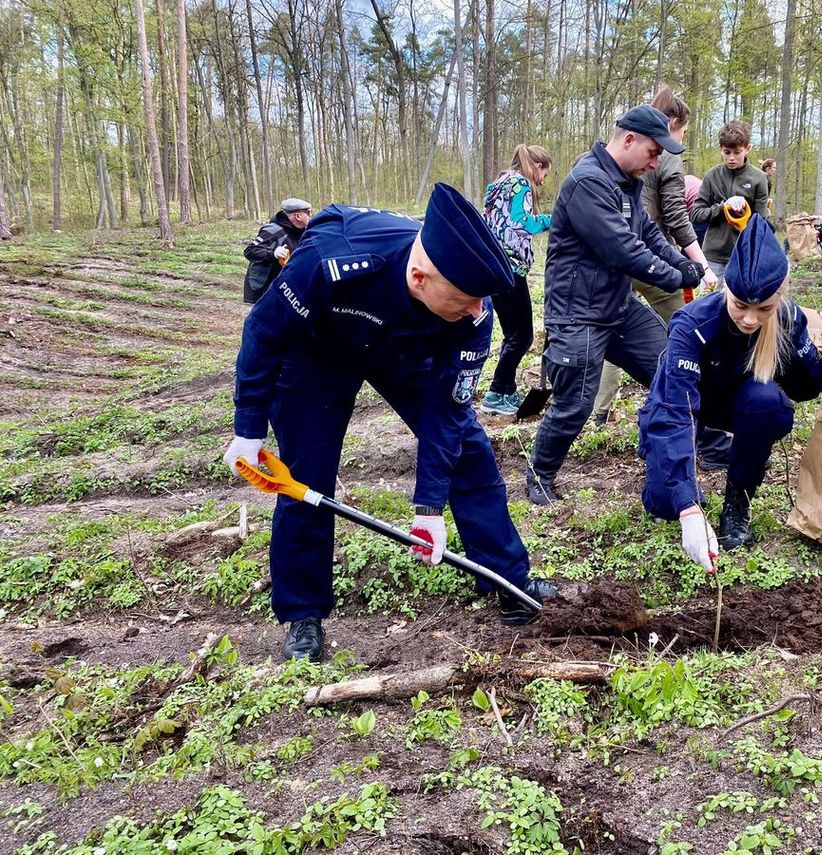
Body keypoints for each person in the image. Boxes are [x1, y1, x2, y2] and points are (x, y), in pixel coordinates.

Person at [222, 184, 559, 661]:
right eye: (465, 299)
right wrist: (249, 427)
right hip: (317, 350)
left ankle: (507, 580)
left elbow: (447, 411)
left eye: (481, 300)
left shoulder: (470, 311)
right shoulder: (329, 260)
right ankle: (303, 615)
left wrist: (428, 509)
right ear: (420, 277)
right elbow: (263, 332)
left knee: (468, 451)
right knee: (306, 474)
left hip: (404, 350)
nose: (478, 312)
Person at [526, 105, 703, 505]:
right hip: (577, 315)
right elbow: (622, 250)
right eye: (654, 152)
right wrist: (675, 276)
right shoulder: (587, 182)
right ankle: (541, 474)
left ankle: (673, 473)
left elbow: (648, 235)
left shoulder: (626, 182)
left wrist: (686, 263)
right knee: (575, 406)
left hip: (617, 306)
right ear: (629, 140)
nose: (656, 161)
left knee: (669, 369)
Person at [638, 218, 822, 564]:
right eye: (740, 305)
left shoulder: (788, 319)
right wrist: (688, 509)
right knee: (665, 504)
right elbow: (675, 413)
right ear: (727, 288)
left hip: (738, 401)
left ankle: (738, 500)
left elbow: (804, 387)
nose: (749, 319)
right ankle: (671, 496)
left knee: (768, 405)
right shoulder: (692, 324)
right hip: (684, 399)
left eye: (764, 309)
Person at [592, 87, 718, 426]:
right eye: (683, 132)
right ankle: (697, 406)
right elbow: (677, 217)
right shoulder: (666, 157)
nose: (657, 158)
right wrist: (699, 267)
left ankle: (600, 412)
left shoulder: (618, 151)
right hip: (648, 259)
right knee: (688, 328)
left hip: (621, 257)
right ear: (673, 123)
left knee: (616, 325)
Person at [480, 144, 554, 416]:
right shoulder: (520, 184)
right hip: (510, 268)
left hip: (493, 266)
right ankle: (497, 392)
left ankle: (507, 390)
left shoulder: (499, 183)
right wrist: (554, 219)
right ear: (537, 165)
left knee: (513, 334)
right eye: (544, 173)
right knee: (522, 336)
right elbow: (522, 223)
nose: (543, 180)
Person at [691, 121, 769, 282]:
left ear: (748, 148)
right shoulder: (712, 176)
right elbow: (696, 214)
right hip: (713, 255)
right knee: (709, 303)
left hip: (744, 256)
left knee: (740, 304)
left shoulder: (759, 178)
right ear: (720, 149)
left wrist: (743, 215)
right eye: (727, 152)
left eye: (737, 152)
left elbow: (761, 221)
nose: (731, 158)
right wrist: (722, 207)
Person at [243, 198, 311, 304]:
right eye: (308, 212)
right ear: (298, 216)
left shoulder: (303, 233)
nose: (310, 216)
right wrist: (273, 253)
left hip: (285, 289)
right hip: (263, 289)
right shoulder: (273, 230)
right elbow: (250, 251)